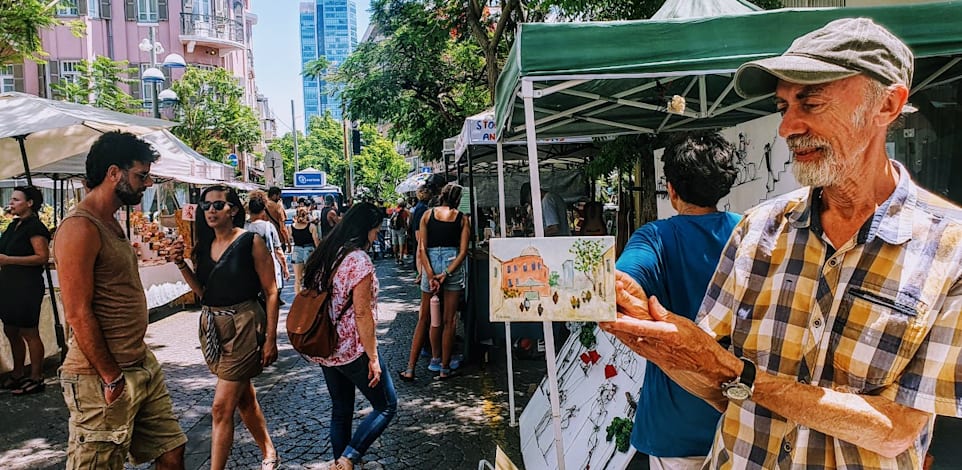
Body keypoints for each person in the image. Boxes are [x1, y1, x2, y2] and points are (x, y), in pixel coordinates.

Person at [602, 18, 962, 469]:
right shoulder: (758, 227)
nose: (788, 127)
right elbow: (714, 383)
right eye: (783, 106)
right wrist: (653, 333)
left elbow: (897, 431)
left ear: (887, 105)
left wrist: (739, 374)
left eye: (810, 102)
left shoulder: (950, 248)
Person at [55, 131, 186, 469]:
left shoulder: (110, 223)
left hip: (139, 361)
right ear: (114, 173)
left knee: (171, 451)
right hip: (98, 375)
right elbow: (77, 313)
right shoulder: (79, 228)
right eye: (141, 176)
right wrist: (110, 376)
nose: (146, 183)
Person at [615, 132, 739, 470]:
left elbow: (618, 286)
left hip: (675, 425)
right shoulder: (750, 233)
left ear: (671, 189)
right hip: (745, 417)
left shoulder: (655, 237)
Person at [169, 185, 280, 469]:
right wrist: (181, 264)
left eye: (217, 205)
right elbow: (204, 293)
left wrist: (270, 339)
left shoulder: (250, 241)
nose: (210, 211)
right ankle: (269, 450)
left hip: (244, 325)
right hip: (213, 326)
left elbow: (271, 290)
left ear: (233, 209)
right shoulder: (203, 247)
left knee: (220, 407)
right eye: (206, 206)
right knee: (243, 398)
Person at [302, 202, 397, 470]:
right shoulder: (358, 260)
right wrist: (373, 357)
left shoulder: (327, 253)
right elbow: (362, 314)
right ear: (365, 230)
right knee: (386, 405)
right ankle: (348, 458)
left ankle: (338, 464)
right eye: (376, 231)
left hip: (326, 346)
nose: (377, 236)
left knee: (341, 410)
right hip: (351, 349)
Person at [400, 183, 470, 381]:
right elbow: (463, 251)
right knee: (450, 320)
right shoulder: (462, 219)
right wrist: (446, 273)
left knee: (424, 317)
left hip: (429, 262)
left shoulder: (427, 215)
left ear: (442, 195)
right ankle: (444, 369)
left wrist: (430, 274)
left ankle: (410, 368)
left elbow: (421, 248)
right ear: (457, 199)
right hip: (452, 265)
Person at [0, 186, 51, 395]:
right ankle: (18, 372)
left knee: (28, 331)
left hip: (26, 285)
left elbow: (42, 257)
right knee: (10, 329)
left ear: (29, 203)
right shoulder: (13, 226)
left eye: (16, 200)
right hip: (8, 284)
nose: (11, 203)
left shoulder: (35, 227)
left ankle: (37, 376)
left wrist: (9, 260)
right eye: (11, 200)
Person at [246, 190, 290, 294]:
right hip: (268, 269)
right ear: (263, 210)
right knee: (271, 295)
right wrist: (285, 268)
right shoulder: (268, 226)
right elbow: (278, 250)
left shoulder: (244, 227)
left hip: (250, 269)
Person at [289, 207, 320, 294]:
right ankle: (310, 298)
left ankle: (298, 300)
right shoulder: (312, 226)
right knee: (311, 277)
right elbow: (316, 241)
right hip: (309, 250)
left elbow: (290, 239)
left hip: (296, 250)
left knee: (297, 279)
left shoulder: (291, 227)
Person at [266, 186, 292, 252]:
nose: (280, 198)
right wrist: (288, 244)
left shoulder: (261, 205)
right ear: (274, 195)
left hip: (264, 240)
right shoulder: (278, 207)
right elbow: (283, 228)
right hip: (277, 240)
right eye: (279, 195)